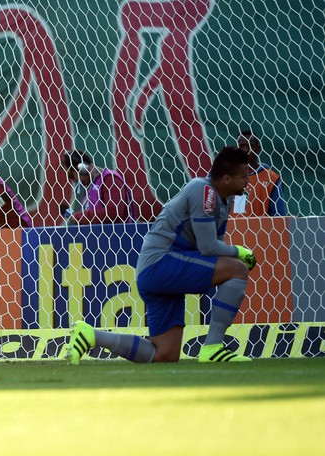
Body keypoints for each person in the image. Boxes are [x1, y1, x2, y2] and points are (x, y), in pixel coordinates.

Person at [67, 146, 257, 365]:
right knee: (237, 269)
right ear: (226, 179)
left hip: (157, 270)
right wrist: (241, 252)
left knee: (164, 355)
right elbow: (207, 247)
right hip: (162, 263)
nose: (248, 181)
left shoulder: (225, 200)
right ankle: (213, 347)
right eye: (243, 176)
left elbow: (216, 247)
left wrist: (227, 258)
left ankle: (90, 335)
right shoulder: (203, 190)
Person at [60, 149, 137, 224]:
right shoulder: (91, 186)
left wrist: (78, 217)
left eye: (71, 175)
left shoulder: (110, 179)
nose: (73, 180)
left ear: (82, 168)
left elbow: (112, 212)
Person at [231, 129, 287, 217]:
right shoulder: (224, 176)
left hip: (259, 230)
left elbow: (279, 217)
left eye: (250, 146)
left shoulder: (271, 179)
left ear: (258, 149)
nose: (245, 150)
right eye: (241, 146)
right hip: (229, 230)